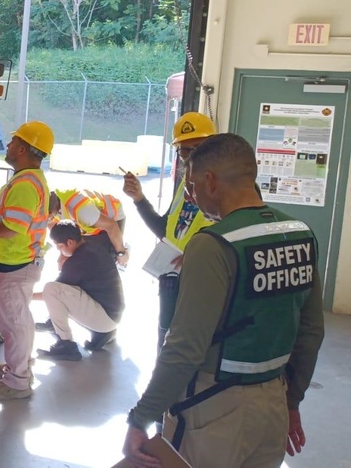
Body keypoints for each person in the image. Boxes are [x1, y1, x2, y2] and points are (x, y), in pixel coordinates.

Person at [123, 133, 325, 468]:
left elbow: (185, 348)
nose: (191, 194)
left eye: (191, 185)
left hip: (214, 408)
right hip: (273, 401)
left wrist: (141, 417)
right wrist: (291, 402)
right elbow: (312, 331)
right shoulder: (300, 233)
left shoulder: (213, 244)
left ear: (210, 181)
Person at [0, 121, 53, 401]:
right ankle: (20, 366)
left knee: (14, 324)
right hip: (17, 261)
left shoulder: (26, 184)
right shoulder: (28, 178)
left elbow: (12, 227)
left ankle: (17, 381)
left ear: (25, 149)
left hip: (14, 263)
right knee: (18, 320)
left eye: (15, 141)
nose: (9, 144)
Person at [122, 111, 216, 349]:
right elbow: (166, 229)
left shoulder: (224, 188)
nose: (192, 155)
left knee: (191, 346)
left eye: (199, 147)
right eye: (185, 150)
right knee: (165, 340)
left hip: (201, 283)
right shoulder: (186, 184)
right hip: (172, 277)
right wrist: (139, 199)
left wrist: (195, 257)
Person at [35, 220, 124, 361]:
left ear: (70, 242)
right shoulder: (92, 244)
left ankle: (66, 344)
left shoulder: (78, 261)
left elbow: (50, 294)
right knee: (63, 289)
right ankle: (101, 333)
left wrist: (27, 295)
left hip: (105, 317)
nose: (60, 251)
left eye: (60, 247)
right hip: (113, 312)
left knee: (51, 289)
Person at [49, 188, 129, 266]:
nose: (46, 219)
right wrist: (63, 255)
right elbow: (62, 239)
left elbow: (112, 226)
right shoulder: (50, 212)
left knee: (110, 255)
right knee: (78, 251)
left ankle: (122, 254)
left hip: (111, 216)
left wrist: (121, 253)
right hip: (92, 223)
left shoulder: (82, 211)